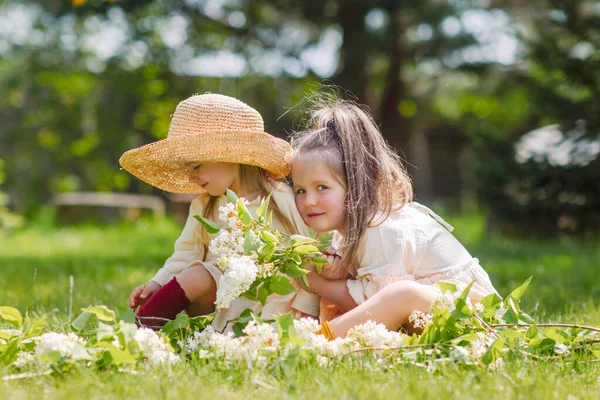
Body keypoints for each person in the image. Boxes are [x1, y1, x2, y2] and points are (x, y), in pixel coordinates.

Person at [289, 95, 498, 339]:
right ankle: (303, 334)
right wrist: (338, 274)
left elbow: (378, 314)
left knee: (401, 294)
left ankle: (310, 343)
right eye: (300, 190)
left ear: (356, 185)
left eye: (322, 187)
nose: (309, 200)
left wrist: (322, 285)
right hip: (432, 321)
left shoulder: (381, 226)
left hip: (476, 321)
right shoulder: (346, 235)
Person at [120, 93, 319, 331]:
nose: (191, 177)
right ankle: (146, 327)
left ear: (229, 155)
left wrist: (308, 311)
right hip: (218, 307)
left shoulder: (281, 200)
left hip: (271, 309)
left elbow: (308, 259)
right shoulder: (205, 206)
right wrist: (158, 282)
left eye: (196, 167)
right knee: (198, 272)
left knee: (202, 274)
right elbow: (185, 254)